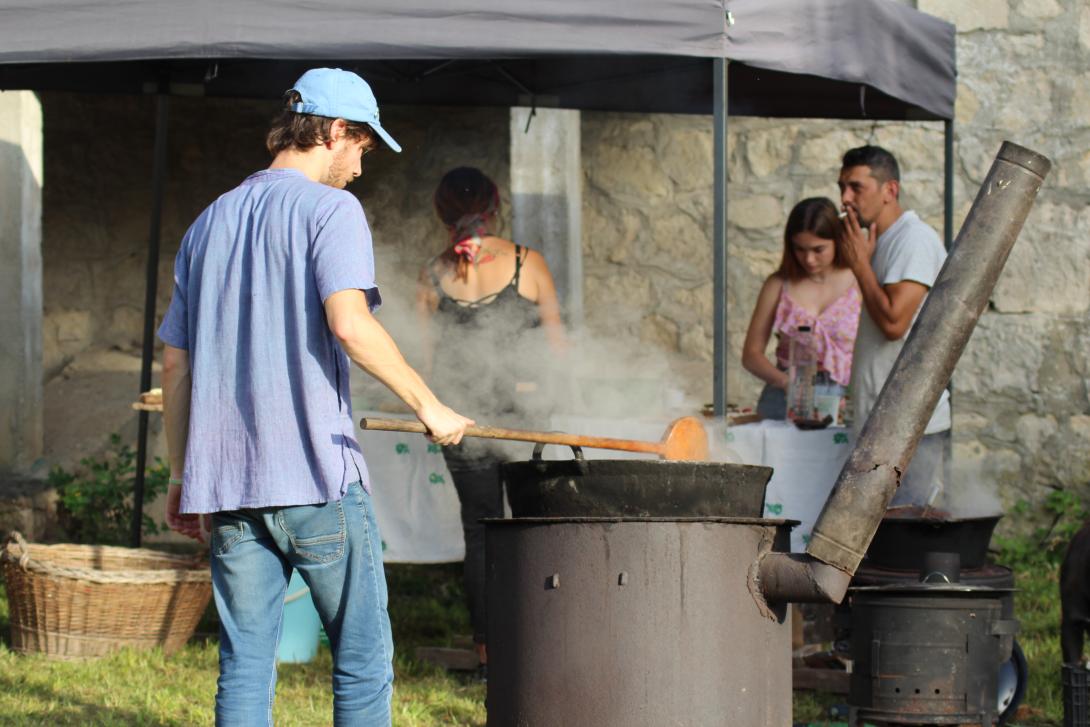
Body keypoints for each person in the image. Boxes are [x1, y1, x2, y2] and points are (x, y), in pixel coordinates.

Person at [158, 68, 473, 727]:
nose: (360, 167)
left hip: (230, 490)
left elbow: (176, 363)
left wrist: (184, 475)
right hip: (315, 480)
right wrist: (430, 405)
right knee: (361, 662)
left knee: (244, 666)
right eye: (361, 147)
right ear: (334, 131)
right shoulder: (332, 211)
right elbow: (350, 323)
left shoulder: (207, 221)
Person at [416, 166, 566, 674]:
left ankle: (489, 654)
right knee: (533, 527)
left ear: (441, 215)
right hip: (526, 417)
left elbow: (425, 363)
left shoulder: (433, 273)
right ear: (496, 205)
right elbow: (557, 351)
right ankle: (542, 645)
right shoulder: (528, 262)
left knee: (480, 531)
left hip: (459, 417)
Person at [838, 145, 949, 507]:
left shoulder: (913, 239)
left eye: (856, 187)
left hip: (907, 425)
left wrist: (859, 266)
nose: (845, 198)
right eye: (842, 187)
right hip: (881, 422)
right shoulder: (882, 241)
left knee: (901, 538)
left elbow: (893, 323)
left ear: (890, 190)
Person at [742, 197, 861, 421]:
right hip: (785, 397)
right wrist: (786, 382)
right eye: (799, 249)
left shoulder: (858, 281)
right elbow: (751, 354)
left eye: (819, 250)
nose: (809, 259)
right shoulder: (778, 284)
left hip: (842, 400)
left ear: (837, 240)